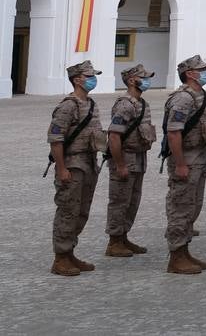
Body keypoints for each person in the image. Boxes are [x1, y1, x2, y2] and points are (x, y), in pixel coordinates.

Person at [47, 60, 106, 276]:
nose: (93, 79)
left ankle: (70, 252)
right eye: (89, 76)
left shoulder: (90, 104)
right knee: (68, 211)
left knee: (82, 211)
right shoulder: (68, 105)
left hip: (89, 163)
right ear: (77, 79)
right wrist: (62, 169)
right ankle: (60, 258)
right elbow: (55, 139)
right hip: (72, 164)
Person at [164, 55, 206, 274]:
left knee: (193, 206)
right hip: (186, 159)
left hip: (200, 158)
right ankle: (176, 256)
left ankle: (185, 252)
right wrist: (180, 164)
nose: (205, 72)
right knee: (180, 207)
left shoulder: (201, 95)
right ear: (190, 74)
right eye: (201, 69)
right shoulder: (183, 98)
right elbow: (174, 133)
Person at [104, 63, 155, 259]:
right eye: (144, 77)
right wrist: (120, 165)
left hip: (139, 158)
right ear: (133, 80)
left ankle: (123, 237)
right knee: (119, 201)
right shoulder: (125, 104)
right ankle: (114, 241)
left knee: (132, 201)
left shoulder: (141, 103)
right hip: (125, 158)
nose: (148, 81)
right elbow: (114, 136)